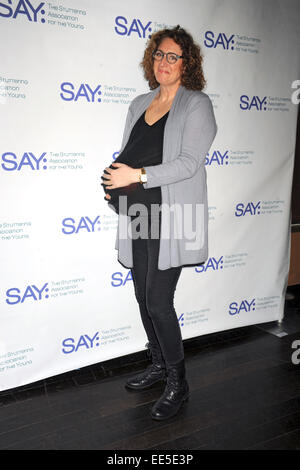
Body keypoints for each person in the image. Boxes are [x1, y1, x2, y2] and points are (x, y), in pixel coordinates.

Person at [101, 25, 217, 421]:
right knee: (140, 295)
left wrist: (137, 177)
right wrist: (114, 183)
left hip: (175, 215)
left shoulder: (196, 104)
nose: (164, 62)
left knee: (157, 300)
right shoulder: (139, 103)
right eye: (159, 55)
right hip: (139, 211)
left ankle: (178, 382)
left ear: (187, 63)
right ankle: (157, 364)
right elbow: (128, 152)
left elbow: (189, 163)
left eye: (173, 56)